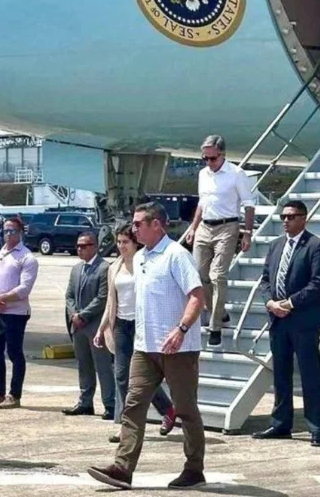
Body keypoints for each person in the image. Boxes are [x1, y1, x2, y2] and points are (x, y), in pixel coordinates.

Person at [88, 202, 206, 490]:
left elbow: (197, 296)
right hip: (145, 348)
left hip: (178, 349)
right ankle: (122, 468)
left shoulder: (176, 255)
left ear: (157, 225)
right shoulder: (140, 257)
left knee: (186, 410)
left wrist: (181, 329)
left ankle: (194, 469)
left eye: (139, 223)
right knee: (133, 406)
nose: (134, 227)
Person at [253, 200, 320, 447]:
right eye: (283, 217)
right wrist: (271, 303)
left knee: (310, 375)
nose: (285, 221)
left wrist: (289, 303)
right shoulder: (276, 246)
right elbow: (265, 280)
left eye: (291, 217)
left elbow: (318, 283)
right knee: (281, 376)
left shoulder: (316, 246)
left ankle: (317, 429)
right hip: (278, 320)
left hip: (303, 321)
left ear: (303, 218)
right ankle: (281, 424)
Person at [94, 225, 177, 443]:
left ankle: (167, 409)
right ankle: (126, 426)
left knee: (144, 375)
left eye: (125, 242)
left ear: (135, 243)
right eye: (119, 242)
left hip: (143, 323)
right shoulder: (114, 267)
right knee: (121, 376)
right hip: (121, 324)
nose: (121, 246)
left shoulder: (144, 263)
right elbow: (111, 302)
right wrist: (102, 328)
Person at [185, 135, 255, 346]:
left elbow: (249, 204)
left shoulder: (236, 174)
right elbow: (202, 203)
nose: (208, 162)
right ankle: (220, 311)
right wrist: (193, 227)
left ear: (222, 155)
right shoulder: (203, 174)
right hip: (205, 226)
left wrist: (248, 232)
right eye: (204, 158)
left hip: (228, 226)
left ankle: (215, 326)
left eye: (212, 158)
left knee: (217, 275)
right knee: (199, 275)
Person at [0, 217, 38, 409]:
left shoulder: (27, 257)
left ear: (20, 232)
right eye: (5, 231)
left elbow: (24, 289)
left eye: (12, 231)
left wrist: (1, 298)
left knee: (14, 352)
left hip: (16, 313)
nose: (8, 234)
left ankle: (15, 394)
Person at [63, 232, 115, 419]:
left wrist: (83, 315)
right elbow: (69, 295)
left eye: (84, 246)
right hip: (78, 326)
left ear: (94, 246)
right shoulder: (76, 269)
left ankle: (110, 404)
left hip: (95, 326)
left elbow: (102, 298)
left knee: (103, 366)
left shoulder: (104, 268)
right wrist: (74, 314)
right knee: (83, 365)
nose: (79, 249)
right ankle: (85, 402)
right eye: (78, 246)